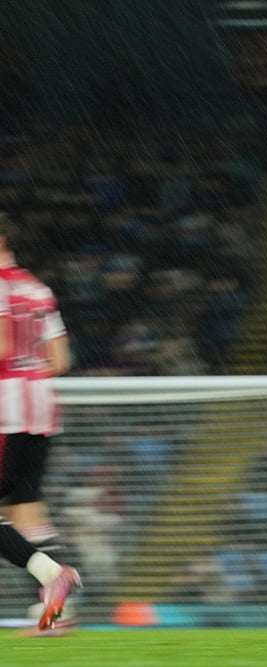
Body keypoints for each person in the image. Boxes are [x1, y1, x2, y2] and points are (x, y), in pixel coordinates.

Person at [0, 212, 82, 629]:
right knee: (25, 512)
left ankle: (51, 575)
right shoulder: (38, 288)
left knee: (21, 514)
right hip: (40, 408)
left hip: (6, 410)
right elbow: (61, 361)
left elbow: (1, 345)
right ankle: (57, 610)